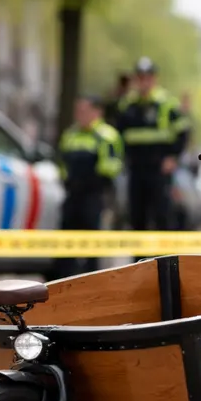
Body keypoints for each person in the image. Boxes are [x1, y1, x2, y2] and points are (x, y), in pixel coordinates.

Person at [113, 57, 192, 231]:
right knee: (136, 217)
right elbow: (118, 135)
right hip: (136, 169)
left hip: (159, 170)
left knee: (162, 216)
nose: (144, 82)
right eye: (140, 78)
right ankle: (140, 258)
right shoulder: (127, 105)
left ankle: (164, 259)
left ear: (154, 79)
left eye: (147, 77)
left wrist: (173, 158)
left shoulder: (166, 104)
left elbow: (183, 132)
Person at [53, 94, 124, 277]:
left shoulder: (106, 136)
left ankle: (92, 276)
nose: (80, 114)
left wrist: (94, 175)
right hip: (72, 194)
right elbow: (61, 162)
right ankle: (63, 277)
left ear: (96, 111)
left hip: (95, 194)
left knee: (93, 240)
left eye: (84, 110)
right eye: (78, 111)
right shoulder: (71, 134)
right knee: (66, 239)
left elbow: (114, 165)